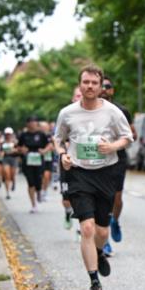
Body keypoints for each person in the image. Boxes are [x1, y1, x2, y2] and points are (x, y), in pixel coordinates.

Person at [55, 65, 132, 290]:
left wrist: (112, 147)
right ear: (80, 85)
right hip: (79, 173)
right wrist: (62, 155)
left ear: (101, 87)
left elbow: (127, 138)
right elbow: (59, 139)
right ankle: (94, 282)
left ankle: (98, 252)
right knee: (86, 228)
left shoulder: (112, 112)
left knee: (102, 230)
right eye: (85, 82)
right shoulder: (67, 113)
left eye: (94, 83)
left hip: (105, 172)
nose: (89, 86)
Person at [99, 77, 136, 255]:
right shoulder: (90, 110)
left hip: (118, 158)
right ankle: (105, 240)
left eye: (108, 86)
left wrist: (119, 139)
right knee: (103, 199)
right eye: (102, 86)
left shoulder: (122, 110)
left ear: (112, 90)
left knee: (117, 199)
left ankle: (114, 220)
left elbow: (132, 134)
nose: (105, 89)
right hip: (98, 159)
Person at [59, 88, 83, 232]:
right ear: (73, 98)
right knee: (67, 199)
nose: (80, 97)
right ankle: (68, 212)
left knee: (84, 196)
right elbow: (57, 139)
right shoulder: (66, 115)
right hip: (68, 163)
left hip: (86, 165)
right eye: (77, 95)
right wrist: (64, 148)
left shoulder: (96, 114)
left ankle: (83, 226)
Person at [16, 116, 53, 213]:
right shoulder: (23, 135)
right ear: (27, 124)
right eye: (30, 122)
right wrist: (22, 150)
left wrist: (44, 151)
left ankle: (39, 191)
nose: (32, 124)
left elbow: (49, 145)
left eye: (34, 122)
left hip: (39, 160)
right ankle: (33, 205)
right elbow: (18, 147)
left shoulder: (41, 134)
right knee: (30, 182)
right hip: (27, 161)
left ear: (37, 123)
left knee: (39, 180)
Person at [0, 127, 18, 199]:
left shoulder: (15, 142)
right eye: (7, 134)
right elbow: (1, 151)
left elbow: (18, 150)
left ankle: (13, 182)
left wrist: (13, 150)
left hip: (13, 159)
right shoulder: (2, 142)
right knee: (7, 175)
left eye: (9, 134)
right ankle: (7, 193)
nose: (8, 135)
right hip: (5, 159)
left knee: (12, 175)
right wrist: (1, 153)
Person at [40, 120, 54, 201]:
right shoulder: (38, 136)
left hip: (49, 158)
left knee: (47, 176)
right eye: (42, 127)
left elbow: (54, 147)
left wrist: (46, 150)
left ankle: (44, 192)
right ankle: (41, 191)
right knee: (42, 176)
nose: (44, 128)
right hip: (39, 159)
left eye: (45, 127)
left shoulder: (51, 136)